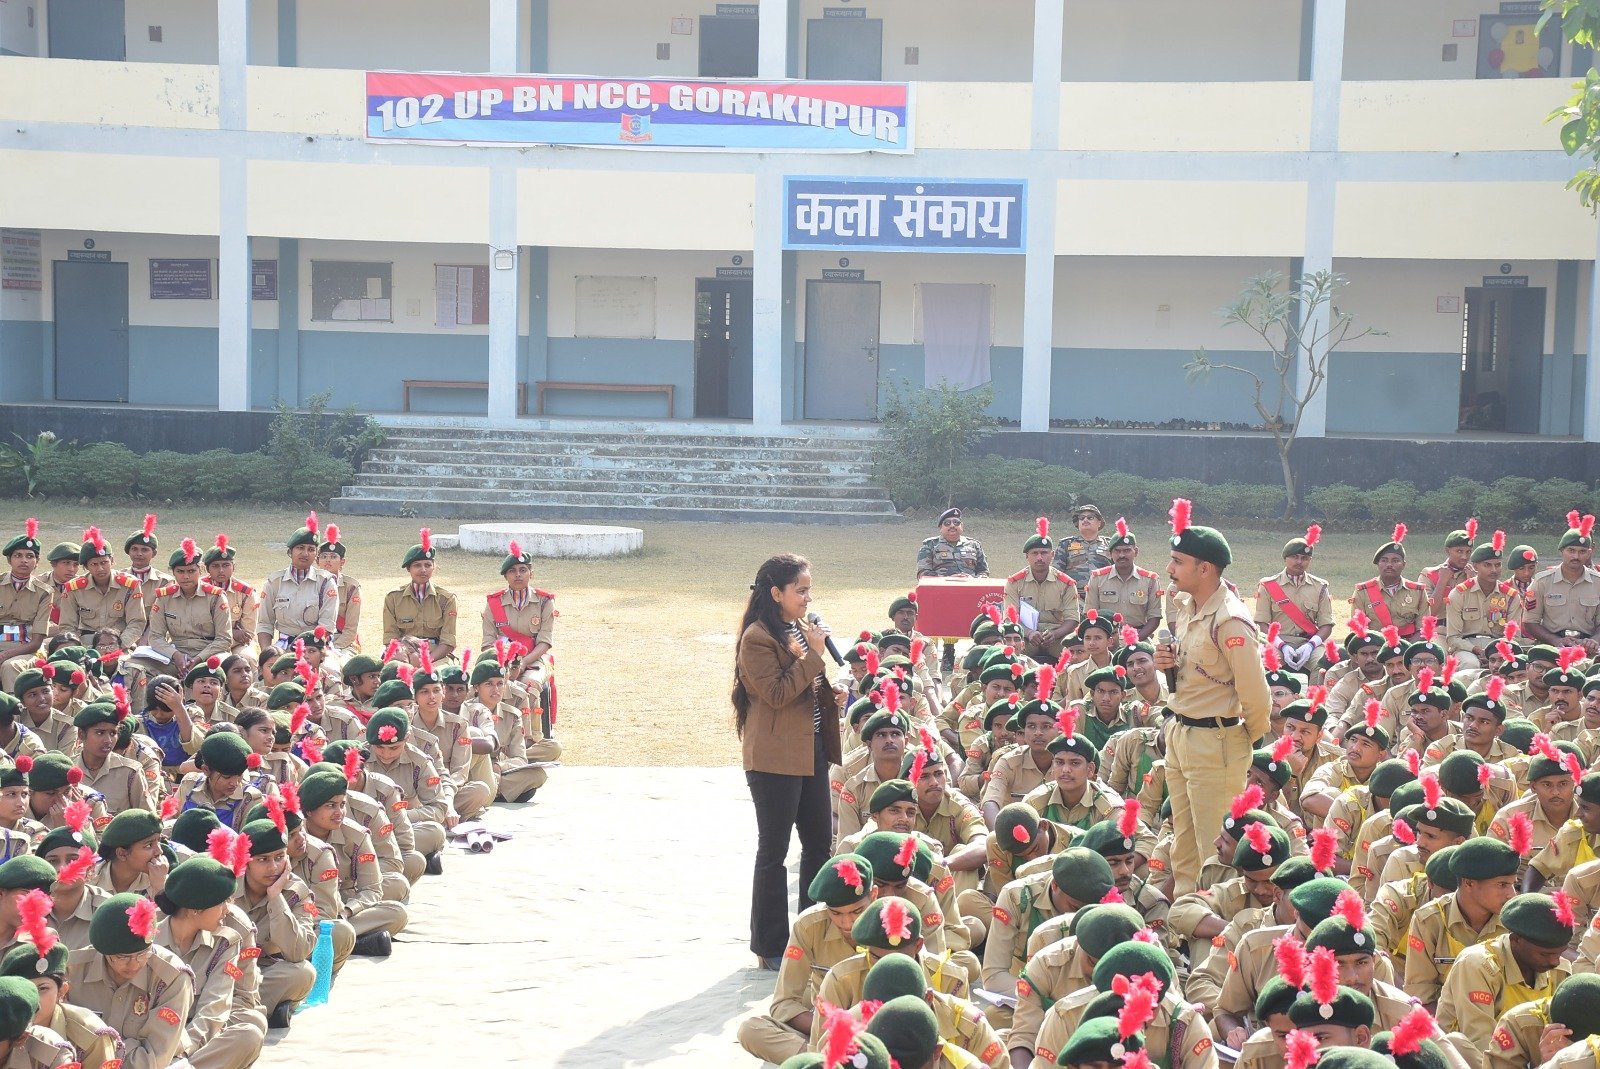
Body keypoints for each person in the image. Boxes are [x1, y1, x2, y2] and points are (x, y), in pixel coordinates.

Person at [1156, 501, 1272, 897]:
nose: (1170, 569)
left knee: (1216, 848)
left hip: (1217, 742)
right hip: (1182, 734)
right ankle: (1188, 920)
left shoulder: (1231, 620)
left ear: (1204, 569)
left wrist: (1241, 740)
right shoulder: (1188, 606)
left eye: (1177, 561)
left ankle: (1216, 931)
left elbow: (1256, 696)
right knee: (1183, 844)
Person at [736, 554, 846, 971]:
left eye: (808, 590)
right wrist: (814, 656)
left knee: (819, 844)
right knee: (774, 851)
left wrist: (828, 694)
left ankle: (811, 936)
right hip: (774, 760)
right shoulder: (757, 637)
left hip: (811, 753)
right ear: (776, 593)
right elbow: (778, 695)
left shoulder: (798, 629)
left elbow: (805, 685)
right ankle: (770, 946)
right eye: (799, 590)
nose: (807, 598)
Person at [737, 853, 876, 1064]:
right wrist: (829, 1032)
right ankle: (822, 1062)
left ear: (873, 895)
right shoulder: (809, 926)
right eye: (836, 914)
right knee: (751, 1030)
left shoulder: (890, 926)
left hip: (876, 1034)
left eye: (857, 911)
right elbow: (783, 1003)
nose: (847, 923)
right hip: (822, 1033)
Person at [151, 853, 266, 1069]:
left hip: (193, 1036)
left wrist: (183, 1050)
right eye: (221, 903)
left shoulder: (226, 941)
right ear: (195, 909)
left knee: (249, 1035)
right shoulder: (147, 934)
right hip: (150, 1037)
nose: (227, 910)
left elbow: (214, 1006)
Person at [67, 893, 194, 1069]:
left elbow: (155, 1057)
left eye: (143, 953)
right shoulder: (73, 970)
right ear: (103, 951)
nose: (134, 963)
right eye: (122, 957)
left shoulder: (171, 977)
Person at [237, 816, 316, 1030]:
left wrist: (275, 897)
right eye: (263, 859)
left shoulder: (295, 891)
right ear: (246, 861)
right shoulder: (224, 885)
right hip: (218, 973)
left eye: (280, 857)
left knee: (303, 973)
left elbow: (298, 951)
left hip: (261, 973)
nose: (273, 867)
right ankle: (257, 1012)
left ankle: (239, 1014)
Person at [49, 531, 145, 657]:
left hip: (120, 641)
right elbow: (67, 626)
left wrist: (118, 645)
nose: (100, 568)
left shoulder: (130, 585)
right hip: (86, 643)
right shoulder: (74, 588)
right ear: (86, 567)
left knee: (128, 669)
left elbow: (137, 622)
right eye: (94, 564)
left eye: (104, 562)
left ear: (112, 560)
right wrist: (79, 649)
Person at [916, 509, 987, 674]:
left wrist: (974, 581)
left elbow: (984, 572)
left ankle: (975, 654)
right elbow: (923, 573)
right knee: (937, 622)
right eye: (947, 523)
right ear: (940, 528)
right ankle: (939, 656)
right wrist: (950, 579)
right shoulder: (930, 545)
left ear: (962, 526)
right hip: (940, 595)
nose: (952, 526)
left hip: (970, 595)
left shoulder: (974, 545)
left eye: (956, 523)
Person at [256, 514, 338, 656]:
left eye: (311, 549)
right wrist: (267, 655)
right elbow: (265, 624)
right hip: (284, 645)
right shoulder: (274, 582)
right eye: (300, 547)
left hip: (317, 647)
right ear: (290, 551)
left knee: (332, 672)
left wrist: (309, 653)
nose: (305, 553)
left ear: (317, 554)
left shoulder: (326, 582)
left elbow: (326, 626)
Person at [1255, 527, 1335, 672]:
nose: (1299, 562)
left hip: (1309, 642)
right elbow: (1262, 624)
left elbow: (1326, 625)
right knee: (1264, 663)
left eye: (1304, 558)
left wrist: (1311, 645)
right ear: (1285, 558)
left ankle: (1314, 696)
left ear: (1309, 560)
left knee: (1323, 664)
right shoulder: (1268, 586)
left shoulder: (1320, 586)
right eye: (1294, 557)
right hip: (1278, 642)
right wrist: (1282, 646)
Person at [480, 540, 554, 694]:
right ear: (505, 576)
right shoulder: (494, 602)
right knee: (487, 686)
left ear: (531, 574)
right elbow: (488, 643)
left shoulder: (544, 601)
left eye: (523, 570)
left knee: (530, 684)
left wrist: (523, 662)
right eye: (512, 571)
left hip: (533, 659)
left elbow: (545, 642)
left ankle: (528, 719)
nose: (518, 574)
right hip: (499, 659)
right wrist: (505, 664)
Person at [1443, 534, 1522, 670]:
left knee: (1504, 665)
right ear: (1475, 566)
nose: (1494, 570)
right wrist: (1477, 650)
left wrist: (1494, 654)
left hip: (1499, 647)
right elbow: (1453, 637)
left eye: (1497, 565)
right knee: (1470, 664)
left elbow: (1514, 636)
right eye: (1487, 565)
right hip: (1467, 646)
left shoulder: (1511, 596)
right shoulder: (1459, 594)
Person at [1524, 517, 1600, 654]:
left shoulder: (1598, 583)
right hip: (1552, 646)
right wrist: (1553, 640)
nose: (1576, 556)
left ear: (1589, 553)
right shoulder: (1542, 581)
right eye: (1571, 550)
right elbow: (1530, 621)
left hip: (1588, 647)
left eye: (1582, 551)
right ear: (1561, 551)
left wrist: (1595, 640)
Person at [381, 529, 457, 664]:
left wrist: (426, 662)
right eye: (417, 565)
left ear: (434, 567)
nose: (423, 570)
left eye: (428, 565)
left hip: (436, 654)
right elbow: (391, 638)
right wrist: (406, 658)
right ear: (408, 569)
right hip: (403, 653)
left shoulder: (446, 599)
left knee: (439, 677)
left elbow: (448, 642)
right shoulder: (393, 598)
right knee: (391, 676)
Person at [1083, 518, 1162, 641]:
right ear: (1110, 554)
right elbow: (1090, 614)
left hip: (1139, 637)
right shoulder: (1097, 578)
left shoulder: (1150, 580)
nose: (1122, 555)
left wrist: (1135, 639)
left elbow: (1154, 618)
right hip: (1105, 638)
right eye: (1117, 551)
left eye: (1127, 550)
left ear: (1135, 552)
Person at [1354, 525, 1428, 641]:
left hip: (1408, 646)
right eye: (1384, 560)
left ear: (1404, 564)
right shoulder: (1363, 592)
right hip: (1375, 648)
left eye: (1395, 561)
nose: (1389, 564)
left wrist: (1406, 650)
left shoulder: (1418, 592)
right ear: (1378, 564)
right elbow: (1358, 630)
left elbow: (1423, 629)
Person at [202, 533, 258, 657]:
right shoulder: (200, 590)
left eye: (226, 565)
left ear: (234, 567)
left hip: (237, 644)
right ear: (207, 569)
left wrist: (228, 637)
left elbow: (247, 633)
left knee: (248, 658)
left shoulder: (246, 593)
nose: (221, 570)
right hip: (205, 642)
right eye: (215, 566)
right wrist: (231, 633)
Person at [315, 526, 360, 654]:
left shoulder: (351, 587)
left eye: (333, 557)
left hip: (341, 641)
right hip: (313, 640)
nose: (328, 560)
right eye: (323, 556)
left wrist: (333, 648)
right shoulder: (309, 583)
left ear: (342, 562)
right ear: (317, 561)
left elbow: (350, 629)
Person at [1053, 504, 1112, 592]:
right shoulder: (1065, 544)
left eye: (1090, 517)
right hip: (1074, 595)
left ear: (1099, 522)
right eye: (1081, 518)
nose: (1085, 520)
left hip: (1103, 594)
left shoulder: (1110, 545)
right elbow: (1056, 573)